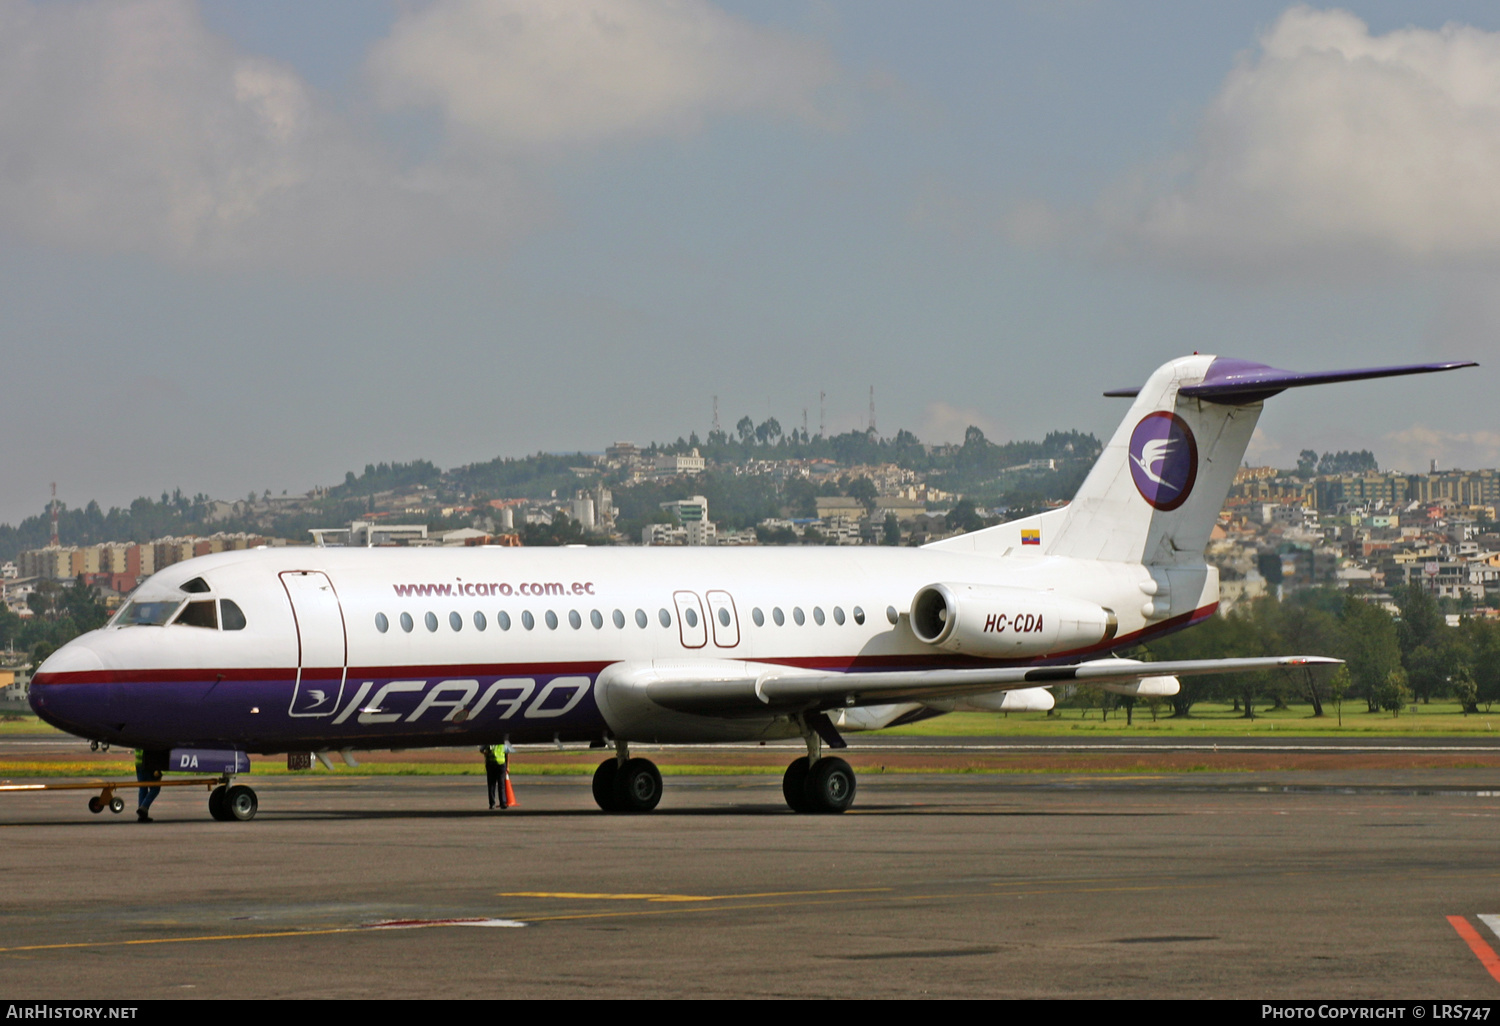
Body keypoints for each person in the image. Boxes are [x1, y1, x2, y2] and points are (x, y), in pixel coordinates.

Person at [134, 749, 163, 823]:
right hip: (147, 762)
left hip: (138, 763)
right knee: (155, 788)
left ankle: (142, 816)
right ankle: (144, 807)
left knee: (143, 788)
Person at [482, 743, 507, 810]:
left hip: (500, 764)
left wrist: (507, 766)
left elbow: (507, 753)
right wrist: (486, 753)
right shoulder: (489, 742)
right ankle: (493, 803)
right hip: (492, 764)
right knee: (492, 785)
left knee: (500, 784)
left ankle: (502, 802)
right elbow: (482, 750)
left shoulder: (502, 742)